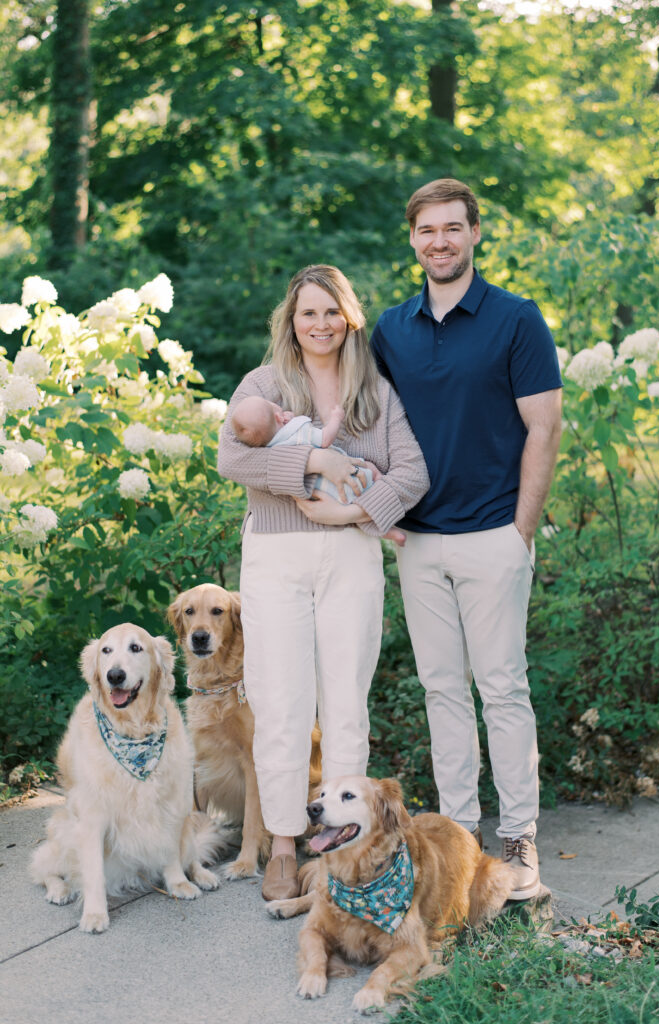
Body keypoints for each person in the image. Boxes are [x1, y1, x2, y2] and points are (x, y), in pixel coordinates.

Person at [370, 178, 563, 900]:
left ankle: (519, 840)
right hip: (418, 541)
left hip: (493, 533)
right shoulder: (390, 329)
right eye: (427, 230)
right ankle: (457, 839)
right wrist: (380, 508)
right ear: (412, 239)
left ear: (474, 233)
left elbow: (543, 427)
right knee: (440, 691)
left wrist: (520, 530)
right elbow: (365, 425)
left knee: (502, 688)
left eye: (452, 228)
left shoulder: (515, 319)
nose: (440, 241)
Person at [217, 264, 429, 900]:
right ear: (292, 321)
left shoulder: (374, 393)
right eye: (308, 313)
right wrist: (316, 458)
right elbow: (233, 457)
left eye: (331, 312)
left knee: (345, 702)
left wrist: (352, 510)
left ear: (349, 319)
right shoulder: (263, 384)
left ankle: (345, 840)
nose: (320, 324)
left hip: (350, 555)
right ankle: (284, 842)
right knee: (280, 702)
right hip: (276, 556)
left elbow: (413, 473)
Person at [230, 394, 406, 544]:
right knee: (369, 476)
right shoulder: (299, 431)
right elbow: (324, 439)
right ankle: (387, 521)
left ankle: (388, 532)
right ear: (279, 417)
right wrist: (336, 418)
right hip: (345, 480)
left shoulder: (269, 448)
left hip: (326, 495)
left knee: (355, 505)